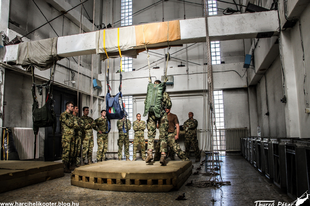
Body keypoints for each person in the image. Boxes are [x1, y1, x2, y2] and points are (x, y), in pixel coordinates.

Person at [145, 80, 171, 166]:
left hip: (151, 115)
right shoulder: (163, 93)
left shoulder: (150, 93)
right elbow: (169, 104)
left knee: (151, 135)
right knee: (163, 135)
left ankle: (149, 153)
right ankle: (163, 156)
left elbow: (146, 103)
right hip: (161, 114)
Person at [59, 101, 78, 173]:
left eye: (73, 106)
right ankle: (65, 166)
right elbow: (69, 123)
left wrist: (74, 124)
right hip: (66, 136)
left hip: (72, 136)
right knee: (66, 151)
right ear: (67, 107)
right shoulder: (64, 115)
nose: (72, 108)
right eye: (71, 106)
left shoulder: (71, 116)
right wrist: (74, 123)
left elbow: (76, 125)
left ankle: (69, 165)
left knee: (71, 151)